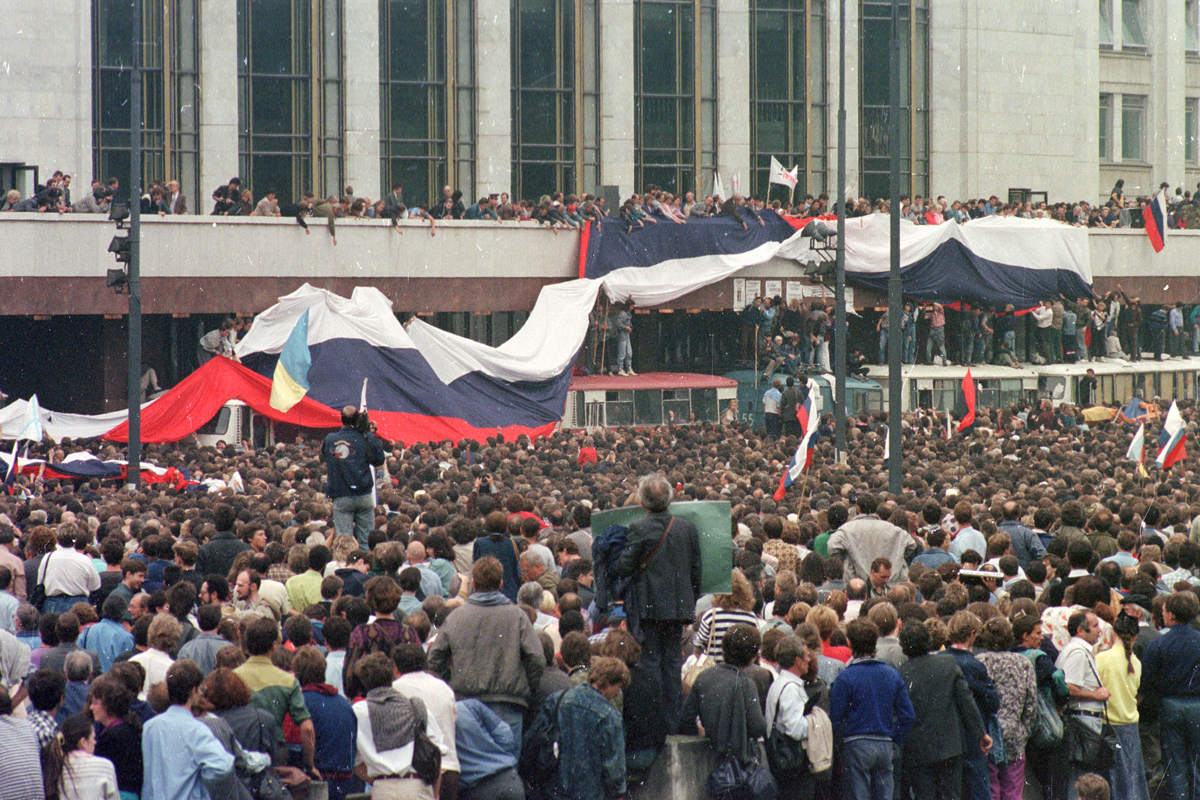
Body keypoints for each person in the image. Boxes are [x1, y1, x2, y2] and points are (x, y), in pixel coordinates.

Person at [614, 473, 702, 746]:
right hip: (677, 607)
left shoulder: (639, 528)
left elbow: (624, 567)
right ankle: (671, 720)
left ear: (642, 501)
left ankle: (656, 723)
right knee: (672, 663)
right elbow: (696, 570)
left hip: (649, 608)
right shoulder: (687, 528)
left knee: (650, 663)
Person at [428, 556, 544, 757]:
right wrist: (526, 687)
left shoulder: (455, 617)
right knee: (506, 768)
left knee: (471, 768)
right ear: (501, 583)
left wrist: (450, 683)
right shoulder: (517, 616)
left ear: (473, 583)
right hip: (508, 704)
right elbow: (536, 658)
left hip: (465, 703)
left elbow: (435, 658)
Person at [898, 622, 988, 800]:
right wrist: (980, 733)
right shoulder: (947, 664)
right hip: (949, 745)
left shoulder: (901, 673)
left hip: (917, 749)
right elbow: (966, 701)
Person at [829, 618, 915, 800]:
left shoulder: (845, 677)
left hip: (855, 743)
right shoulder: (891, 674)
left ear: (850, 643)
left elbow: (835, 718)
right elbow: (908, 715)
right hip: (884, 742)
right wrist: (894, 739)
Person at [351, 652, 448, 800]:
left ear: (363, 681)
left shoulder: (358, 712)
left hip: (383, 788)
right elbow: (436, 754)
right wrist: (435, 795)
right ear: (393, 675)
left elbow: (355, 762)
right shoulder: (417, 707)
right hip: (417, 786)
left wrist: (378, 780)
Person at [141, 660, 236, 800]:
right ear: (193, 690)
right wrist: (201, 781)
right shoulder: (197, 729)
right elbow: (223, 766)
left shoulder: (150, 726)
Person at [1138, 591, 1200, 800]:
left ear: (1171, 615)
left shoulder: (1158, 643)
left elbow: (1146, 680)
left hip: (1170, 704)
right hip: (1197, 704)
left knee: (1175, 762)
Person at [974, 617, 1037, 800]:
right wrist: (1024, 731)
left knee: (990, 789)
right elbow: (1031, 703)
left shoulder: (979, 661)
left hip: (987, 735)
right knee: (1013, 790)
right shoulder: (1023, 663)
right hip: (1015, 736)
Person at [557, 656, 630, 800]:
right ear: (609, 683)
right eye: (618, 687)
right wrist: (619, 792)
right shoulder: (610, 716)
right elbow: (614, 765)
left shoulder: (562, 698)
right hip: (592, 790)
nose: (617, 693)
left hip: (558, 785)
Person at [1096, 612, 1151, 800]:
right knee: (1132, 777)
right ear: (1135, 637)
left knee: (1113, 779)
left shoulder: (1102, 659)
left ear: (1113, 633)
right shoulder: (1136, 662)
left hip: (1108, 725)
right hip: (1131, 725)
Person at [1057, 611, 1109, 799]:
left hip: (1085, 719)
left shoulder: (1081, 650)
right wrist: (1096, 694)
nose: (1099, 629)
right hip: (1082, 721)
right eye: (1094, 625)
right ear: (1080, 630)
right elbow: (1068, 687)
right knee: (1081, 778)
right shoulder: (1078, 652)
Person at [321, 406, 386, 547]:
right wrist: (368, 436)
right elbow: (379, 459)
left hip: (342, 496)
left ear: (341, 419)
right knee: (366, 542)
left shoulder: (331, 439)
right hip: (363, 496)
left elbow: (324, 455)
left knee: (345, 543)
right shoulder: (366, 437)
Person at [56, 712, 121, 800]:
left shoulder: (57, 766)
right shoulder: (105, 766)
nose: (95, 742)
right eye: (93, 738)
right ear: (83, 742)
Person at [614, 302, 634, 376]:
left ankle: (628, 367)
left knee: (629, 352)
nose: (632, 308)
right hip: (622, 335)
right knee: (622, 353)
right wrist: (626, 327)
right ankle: (620, 368)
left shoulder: (629, 314)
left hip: (627, 335)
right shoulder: (622, 314)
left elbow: (629, 323)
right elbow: (618, 323)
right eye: (631, 306)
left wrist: (630, 327)